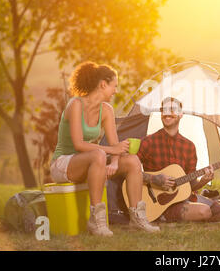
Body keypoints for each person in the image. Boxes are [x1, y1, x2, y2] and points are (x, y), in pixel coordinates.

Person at [50, 61, 159, 236]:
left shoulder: (107, 110)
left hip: (94, 163)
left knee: (132, 160)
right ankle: (96, 221)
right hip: (64, 164)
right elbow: (79, 144)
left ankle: (138, 218)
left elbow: (115, 144)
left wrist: (115, 162)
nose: (115, 91)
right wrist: (112, 151)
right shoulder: (75, 104)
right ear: (103, 84)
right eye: (114, 86)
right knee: (99, 154)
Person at [137, 97, 220, 222]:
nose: (167, 113)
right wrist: (154, 179)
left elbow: (191, 185)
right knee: (204, 211)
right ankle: (162, 215)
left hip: (184, 198)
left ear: (181, 114)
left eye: (172, 109)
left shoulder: (188, 146)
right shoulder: (148, 142)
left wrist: (203, 181)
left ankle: (185, 214)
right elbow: (129, 172)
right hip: (159, 203)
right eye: (164, 110)